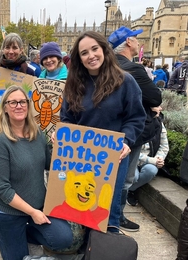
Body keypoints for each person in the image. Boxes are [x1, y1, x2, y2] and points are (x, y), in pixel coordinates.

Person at [61, 31, 146, 232]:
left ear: (104, 50)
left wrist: (126, 141)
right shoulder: (73, 85)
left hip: (113, 157)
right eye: (84, 53)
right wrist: (62, 133)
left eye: (94, 49)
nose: (91, 56)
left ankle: (105, 248)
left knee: (107, 212)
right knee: (80, 209)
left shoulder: (125, 82)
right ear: (79, 59)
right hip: (80, 156)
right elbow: (67, 119)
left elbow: (136, 117)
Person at [0, 85, 75, 260]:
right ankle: (4, 229)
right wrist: (33, 212)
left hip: (38, 204)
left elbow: (50, 163)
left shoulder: (38, 134)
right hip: (8, 211)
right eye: (12, 102)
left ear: (28, 105)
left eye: (22, 102)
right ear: (5, 108)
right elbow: (1, 189)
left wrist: (59, 146)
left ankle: (23, 231)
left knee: (64, 239)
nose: (18, 106)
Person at [108, 26, 162, 232]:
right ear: (129, 42)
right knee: (124, 179)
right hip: (130, 135)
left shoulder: (108, 68)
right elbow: (155, 97)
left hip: (111, 133)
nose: (139, 42)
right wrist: (152, 105)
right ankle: (117, 217)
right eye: (136, 38)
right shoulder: (134, 70)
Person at [127, 107, 169, 206]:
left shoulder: (159, 124)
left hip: (150, 160)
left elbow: (164, 146)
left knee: (151, 170)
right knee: (134, 177)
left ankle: (130, 190)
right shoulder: (137, 123)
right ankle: (124, 192)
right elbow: (131, 150)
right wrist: (151, 160)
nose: (160, 108)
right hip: (133, 159)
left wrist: (159, 158)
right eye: (157, 106)